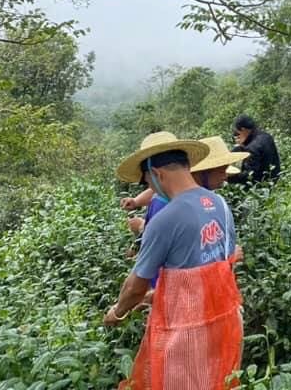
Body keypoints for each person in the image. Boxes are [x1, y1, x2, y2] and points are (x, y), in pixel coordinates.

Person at [104, 132, 243, 389]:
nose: (149, 186)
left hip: (186, 331)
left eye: (147, 180)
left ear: (157, 174)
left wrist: (117, 312)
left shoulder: (164, 220)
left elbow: (135, 287)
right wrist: (150, 298)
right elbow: (215, 268)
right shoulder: (220, 204)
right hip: (226, 322)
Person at [232, 114, 281, 183]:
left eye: (238, 133)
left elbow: (250, 175)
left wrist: (229, 178)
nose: (237, 136)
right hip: (274, 179)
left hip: (262, 184)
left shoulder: (252, 148)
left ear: (243, 130)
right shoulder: (266, 136)